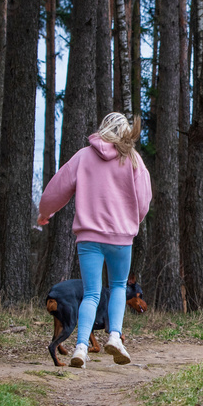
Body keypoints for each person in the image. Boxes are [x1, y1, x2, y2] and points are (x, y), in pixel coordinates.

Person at [37, 112, 152, 368]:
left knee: (91, 293)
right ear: (124, 132)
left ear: (103, 129)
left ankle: (80, 348)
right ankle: (114, 337)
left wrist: (46, 212)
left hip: (88, 238)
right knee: (119, 287)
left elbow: (57, 188)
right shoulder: (132, 159)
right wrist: (133, 221)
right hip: (121, 236)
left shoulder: (83, 156)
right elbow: (144, 199)